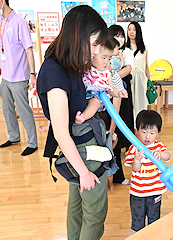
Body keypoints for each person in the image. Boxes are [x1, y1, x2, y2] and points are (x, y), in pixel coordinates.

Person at [36, 5, 109, 239]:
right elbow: (61, 133)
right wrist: (84, 173)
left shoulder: (68, 62)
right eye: (95, 44)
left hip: (79, 147)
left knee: (77, 207)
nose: (97, 51)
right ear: (79, 37)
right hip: (80, 151)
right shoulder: (55, 73)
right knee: (94, 211)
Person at [0, 0, 38, 156]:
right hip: (6, 75)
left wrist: (32, 74)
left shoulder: (19, 22)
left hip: (19, 75)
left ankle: (32, 143)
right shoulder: (2, 21)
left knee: (23, 110)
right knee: (7, 108)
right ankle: (14, 136)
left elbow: (29, 51)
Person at [124, 110, 171, 231]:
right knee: (138, 222)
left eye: (152, 132)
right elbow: (135, 169)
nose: (147, 136)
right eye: (144, 132)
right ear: (137, 131)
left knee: (154, 221)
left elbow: (168, 156)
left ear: (158, 132)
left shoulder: (159, 146)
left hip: (155, 191)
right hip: (138, 193)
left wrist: (160, 154)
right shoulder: (134, 148)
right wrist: (137, 160)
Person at [74, 37, 128, 124]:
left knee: (95, 102)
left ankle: (82, 117)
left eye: (109, 59)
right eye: (103, 58)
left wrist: (118, 93)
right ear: (92, 56)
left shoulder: (107, 74)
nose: (107, 62)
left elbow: (110, 89)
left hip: (96, 97)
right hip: (82, 93)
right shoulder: (88, 68)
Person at [108, 24, 134, 185]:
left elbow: (129, 68)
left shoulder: (127, 52)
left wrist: (112, 77)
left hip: (119, 92)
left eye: (120, 34)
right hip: (104, 101)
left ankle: (118, 175)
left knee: (119, 130)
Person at [126, 22, 150, 118]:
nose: (131, 32)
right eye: (129, 29)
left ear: (138, 32)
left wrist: (149, 81)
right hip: (130, 79)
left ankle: (141, 123)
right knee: (130, 103)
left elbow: (146, 66)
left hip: (141, 80)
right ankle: (132, 125)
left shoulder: (144, 49)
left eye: (134, 29)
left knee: (141, 102)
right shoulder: (125, 48)